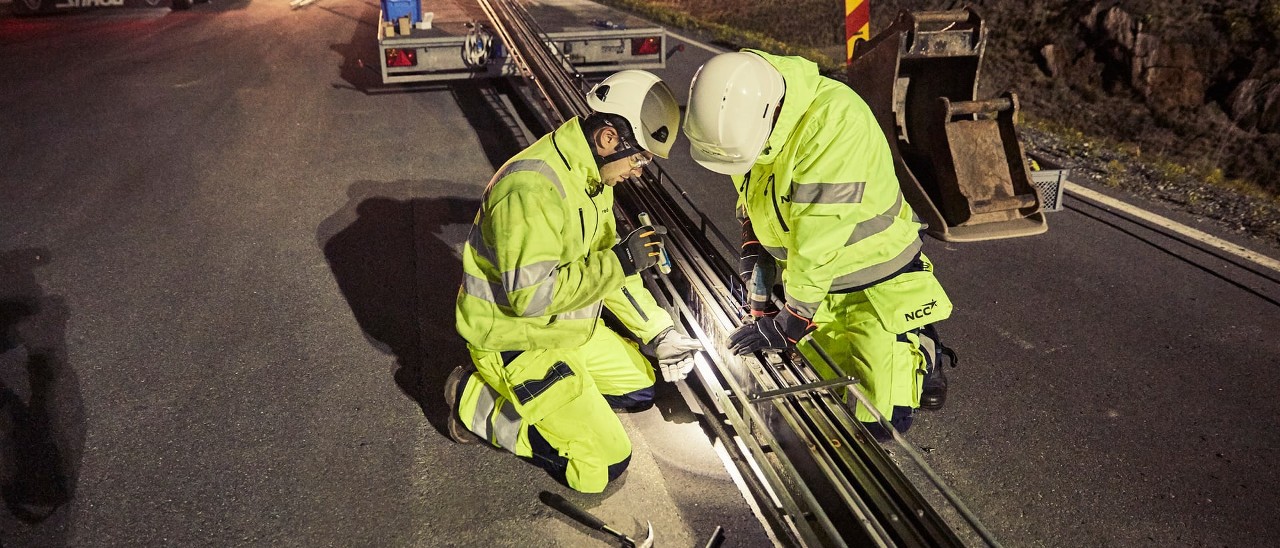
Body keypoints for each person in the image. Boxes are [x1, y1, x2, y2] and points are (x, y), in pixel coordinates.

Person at [446, 70, 704, 493]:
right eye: (639, 158)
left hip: (564, 330)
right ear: (607, 139)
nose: (639, 171)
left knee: (641, 388)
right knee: (603, 465)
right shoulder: (532, 190)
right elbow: (531, 298)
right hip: (515, 340)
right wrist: (621, 260)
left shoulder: (590, 178)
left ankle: (564, 394)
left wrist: (658, 333)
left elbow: (609, 270)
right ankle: (472, 400)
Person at [683, 50, 955, 440]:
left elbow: (818, 235)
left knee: (879, 418)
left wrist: (793, 318)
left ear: (769, 115)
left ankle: (924, 348)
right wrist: (754, 243)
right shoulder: (749, 118)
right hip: (816, 283)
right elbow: (754, 189)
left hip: (876, 280)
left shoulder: (834, 122)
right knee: (820, 397)